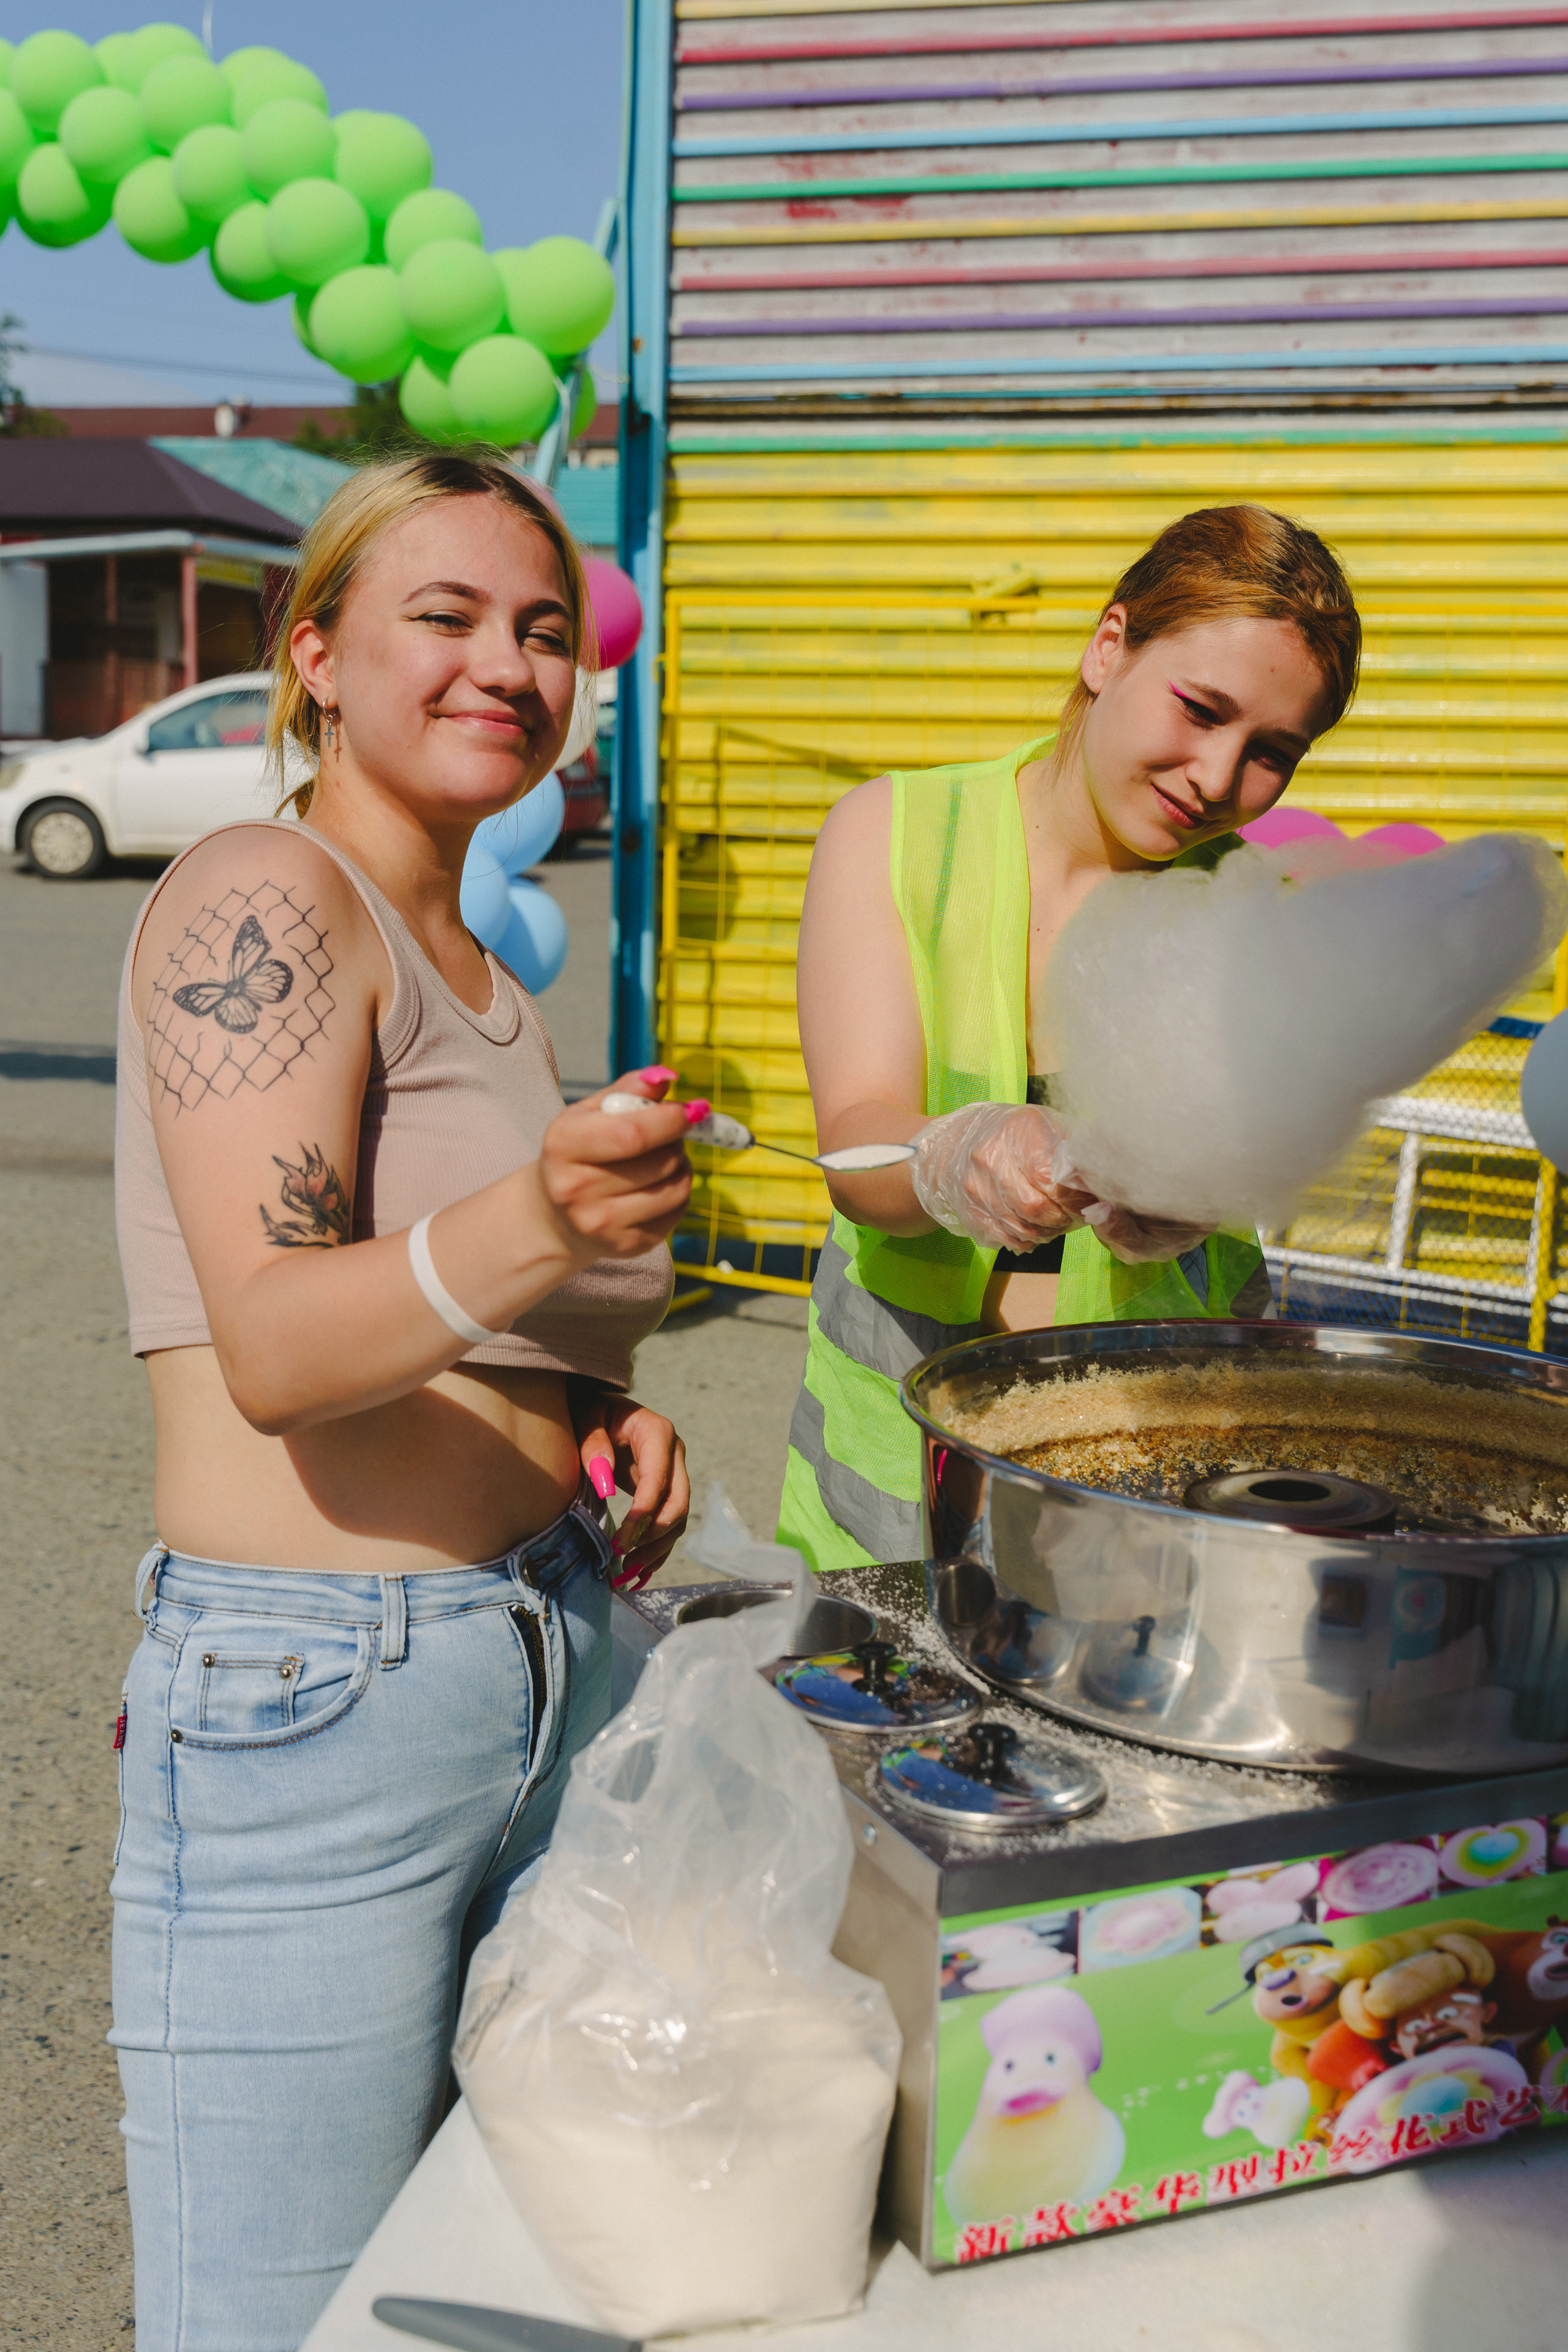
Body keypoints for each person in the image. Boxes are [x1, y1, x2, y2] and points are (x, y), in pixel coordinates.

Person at [110, 449, 695, 2345]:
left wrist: (589, 1421)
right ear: (318, 659)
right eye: (441, 618)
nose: (508, 666)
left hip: (536, 1648)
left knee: (466, 2295)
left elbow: (451, 1317)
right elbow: (276, 1345)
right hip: (319, 1693)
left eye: (541, 632)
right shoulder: (264, 897)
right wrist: (537, 1219)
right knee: (277, 2323)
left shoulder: (490, 976)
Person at [782, 503, 1362, 1570]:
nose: (1219, 779)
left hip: (1163, 1452)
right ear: (1109, 647)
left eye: (1273, 752)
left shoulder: (1251, 911)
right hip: (904, 1479)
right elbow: (858, 1150)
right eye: (1200, 709)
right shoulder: (897, 834)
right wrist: (964, 1152)